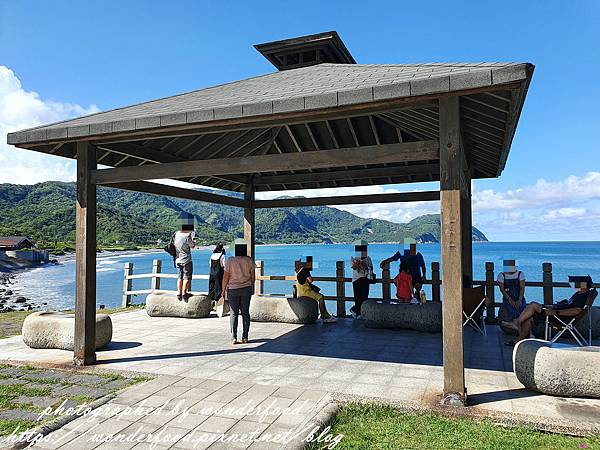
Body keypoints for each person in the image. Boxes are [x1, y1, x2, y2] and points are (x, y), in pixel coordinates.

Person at [502, 275, 593, 345]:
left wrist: (555, 312)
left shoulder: (582, 296)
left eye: (577, 283)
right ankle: (518, 341)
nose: (574, 285)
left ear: (583, 284)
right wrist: (553, 307)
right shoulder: (579, 294)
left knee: (533, 305)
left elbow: (576, 311)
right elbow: (569, 306)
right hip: (556, 313)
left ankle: (517, 322)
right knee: (528, 318)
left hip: (559, 317)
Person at [221, 240, 255, 345]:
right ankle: (245, 337)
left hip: (233, 289)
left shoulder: (230, 261)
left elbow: (225, 277)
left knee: (234, 313)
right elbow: (253, 277)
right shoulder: (249, 260)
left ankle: (234, 337)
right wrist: (251, 286)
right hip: (246, 288)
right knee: (245, 312)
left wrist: (223, 290)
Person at [497, 259, 526, 328]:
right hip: (507, 298)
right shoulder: (501, 275)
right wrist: (509, 299)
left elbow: (522, 287)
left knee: (523, 311)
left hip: (519, 297)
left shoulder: (520, 274)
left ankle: (518, 325)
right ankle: (519, 326)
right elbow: (502, 289)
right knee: (512, 311)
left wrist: (519, 299)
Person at [174, 212, 196, 301]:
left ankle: (179, 293)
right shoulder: (187, 235)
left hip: (177, 259)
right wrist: (193, 239)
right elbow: (192, 246)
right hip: (186, 259)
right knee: (187, 277)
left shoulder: (176, 234)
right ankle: (184, 293)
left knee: (179, 277)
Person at [350, 240, 374, 319]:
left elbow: (371, 269)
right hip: (356, 280)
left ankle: (359, 312)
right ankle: (357, 312)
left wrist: (364, 264)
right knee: (357, 298)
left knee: (364, 297)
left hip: (365, 280)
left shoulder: (368, 259)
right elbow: (354, 267)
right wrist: (359, 262)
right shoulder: (353, 259)